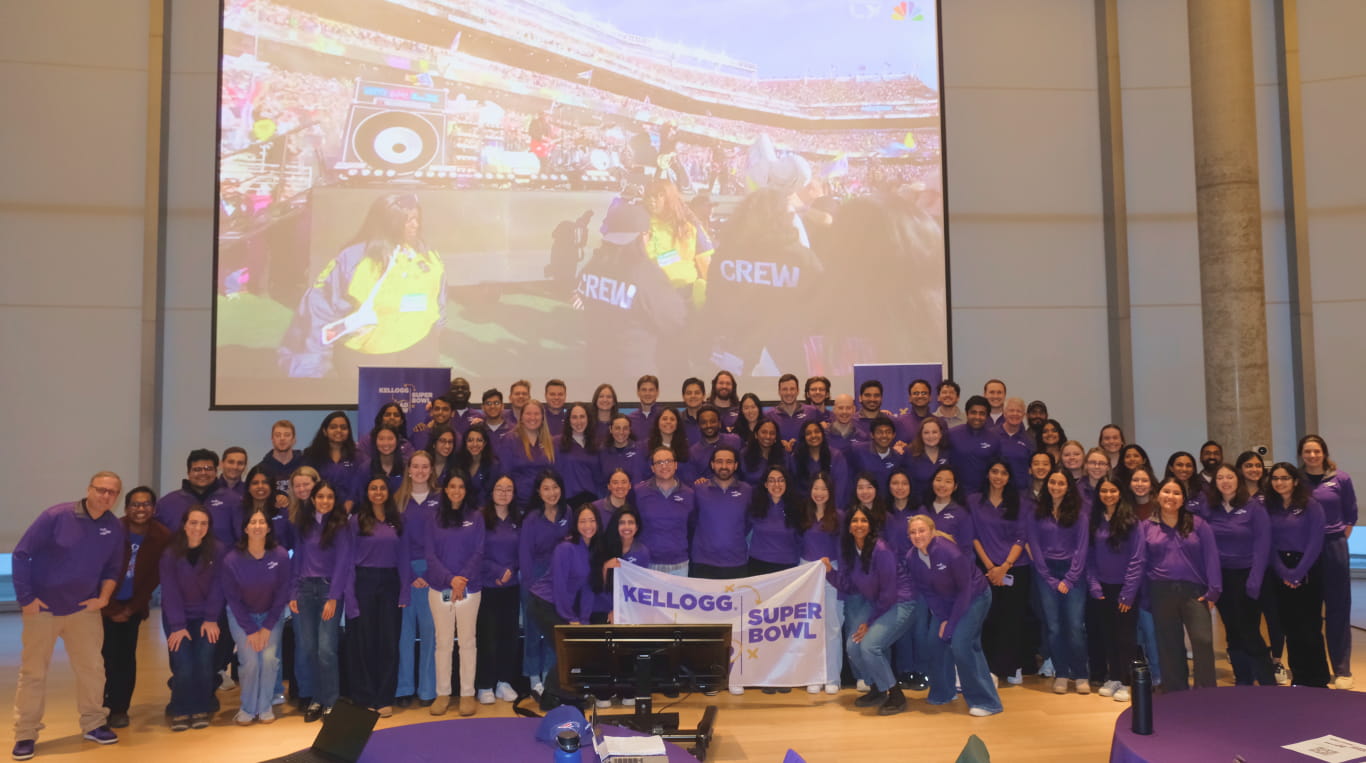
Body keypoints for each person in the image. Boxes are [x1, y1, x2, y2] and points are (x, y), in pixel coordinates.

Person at [12, 472, 127, 758]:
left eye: (112, 492)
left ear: (117, 496)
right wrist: (26, 598)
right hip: (43, 609)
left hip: (84, 611)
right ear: (89, 489)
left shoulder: (114, 527)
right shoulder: (56, 516)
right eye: (101, 490)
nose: (106, 496)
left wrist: (103, 598)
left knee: (92, 670)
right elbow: (21, 554)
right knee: (33, 673)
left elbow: (113, 568)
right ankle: (25, 733)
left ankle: (93, 724)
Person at [280, 192, 445, 377]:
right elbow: (319, 310)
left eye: (417, 219)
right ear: (388, 222)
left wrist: (436, 329)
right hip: (369, 357)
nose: (415, 225)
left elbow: (438, 298)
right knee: (371, 396)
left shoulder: (428, 255)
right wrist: (310, 368)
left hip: (421, 350)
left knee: (418, 395)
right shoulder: (354, 259)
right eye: (408, 220)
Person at [705, 189, 822, 373]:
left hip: (733, 354)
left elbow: (713, 301)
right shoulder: (802, 259)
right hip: (785, 359)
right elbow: (818, 308)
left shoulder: (726, 254)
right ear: (785, 217)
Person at [905, 515, 1003, 717]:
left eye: (922, 530)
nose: (917, 535)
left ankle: (987, 702)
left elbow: (965, 590)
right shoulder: (911, 558)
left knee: (961, 645)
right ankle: (944, 692)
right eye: (913, 532)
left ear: (932, 531)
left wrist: (950, 625)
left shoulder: (949, 551)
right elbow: (928, 592)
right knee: (934, 641)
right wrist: (943, 618)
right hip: (946, 603)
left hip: (974, 597)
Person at [577, 202, 687, 378]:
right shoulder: (646, 273)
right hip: (635, 372)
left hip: (595, 366)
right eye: (649, 234)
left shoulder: (591, 267)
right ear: (642, 236)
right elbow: (676, 321)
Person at [830, 506, 913, 715]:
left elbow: (889, 592)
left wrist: (869, 623)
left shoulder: (881, 549)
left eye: (864, 520)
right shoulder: (851, 551)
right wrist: (830, 573)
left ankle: (896, 695)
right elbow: (850, 587)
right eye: (854, 520)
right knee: (852, 646)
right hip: (879, 604)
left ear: (870, 525)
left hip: (900, 602)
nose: (859, 525)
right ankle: (878, 687)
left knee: (869, 646)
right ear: (849, 526)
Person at [1140, 478, 1221, 691]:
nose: (1171, 497)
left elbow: (1212, 557)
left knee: (1202, 641)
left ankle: (1205, 692)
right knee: (1169, 644)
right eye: (1166, 492)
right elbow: (1141, 562)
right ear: (1158, 495)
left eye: (1176, 493)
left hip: (1194, 592)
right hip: (1161, 592)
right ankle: (1176, 692)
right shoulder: (1147, 526)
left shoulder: (1198, 524)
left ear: (1183, 499)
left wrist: (1214, 590)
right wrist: (1144, 596)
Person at [100, 487, 171, 729]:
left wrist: (131, 609)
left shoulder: (162, 536)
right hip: (103, 605)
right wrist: (110, 608)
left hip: (133, 607)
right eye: (135, 504)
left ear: (154, 508)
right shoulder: (112, 530)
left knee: (125, 659)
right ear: (126, 507)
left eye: (146, 504)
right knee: (102, 658)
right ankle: (99, 706)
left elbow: (155, 578)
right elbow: (97, 569)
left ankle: (119, 709)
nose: (140, 509)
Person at [222, 506, 292, 727]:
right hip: (242, 618)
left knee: (269, 659)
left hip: (272, 616)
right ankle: (247, 708)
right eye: (253, 522)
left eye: (262, 522)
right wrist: (251, 630)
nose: (257, 526)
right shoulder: (232, 559)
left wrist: (267, 626)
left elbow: (282, 593)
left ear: (269, 527)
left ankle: (264, 706)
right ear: (245, 528)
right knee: (251, 661)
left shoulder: (280, 555)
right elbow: (233, 599)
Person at [289, 480, 353, 721]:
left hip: (328, 591)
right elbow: (297, 559)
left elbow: (343, 562)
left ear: (335, 500)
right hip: (304, 591)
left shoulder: (341, 526)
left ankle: (331, 702)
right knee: (308, 649)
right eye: (321, 496)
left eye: (329, 497)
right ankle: (317, 698)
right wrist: (292, 592)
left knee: (326, 649)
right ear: (313, 499)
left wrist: (334, 597)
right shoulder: (303, 524)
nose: (325, 501)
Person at [1205, 463, 1274, 686]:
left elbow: (1263, 544)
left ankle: (1267, 681)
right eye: (1220, 478)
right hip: (1221, 577)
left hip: (1247, 576)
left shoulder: (1254, 507)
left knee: (1249, 630)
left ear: (1238, 480)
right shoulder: (1211, 509)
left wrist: (1255, 579)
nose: (1225, 481)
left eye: (1230, 477)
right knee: (1232, 630)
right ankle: (1242, 680)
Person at [345, 477, 409, 717]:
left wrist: (405, 589)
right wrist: (350, 595)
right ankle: (365, 696)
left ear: (388, 492)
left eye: (382, 488)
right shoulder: (356, 521)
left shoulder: (398, 520)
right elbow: (348, 559)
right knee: (364, 641)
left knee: (389, 641)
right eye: (373, 488)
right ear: (367, 492)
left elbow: (404, 556)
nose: (378, 492)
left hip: (390, 583)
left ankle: (384, 697)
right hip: (364, 582)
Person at [1263, 462, 1330, 688]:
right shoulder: (1269, 507)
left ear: (1295, 481)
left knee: (1310, 627)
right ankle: (1299, 678)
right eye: (1275, 478)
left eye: (1284, 478)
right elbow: (1267, 542)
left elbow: (1316, 541)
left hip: (1307, 568)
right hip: (1280, 569)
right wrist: (1284, 572)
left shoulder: (1311, 505)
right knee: (1290, 627)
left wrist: (1298, 572)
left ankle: (1318, 679)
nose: (1279, 482)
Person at [526, 504, 601, 704]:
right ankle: (553, 696)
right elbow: (559, 585)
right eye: (583, 521)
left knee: (574, 647)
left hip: (559, 605)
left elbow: (588, 589)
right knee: (568, 648)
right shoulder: (565, 548)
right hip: (543, 603)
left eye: (592, 520)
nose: (588, 525)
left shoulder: (592, 549)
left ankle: (558, 695)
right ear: (575, 524)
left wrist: (584, 620)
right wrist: (570, 618)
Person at [425, 471, 486, 717]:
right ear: (445, 489)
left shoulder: (476, 517)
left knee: (468, 642)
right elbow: (430, 555)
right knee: (443, 642)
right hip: (440, 588)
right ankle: (443, 693)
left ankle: (467, 693)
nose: (457, 491)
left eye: (461, 486)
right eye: (452, 486)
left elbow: (479, 552)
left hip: (469, 589)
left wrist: (461, 581)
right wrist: (450, 579)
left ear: (466, 490)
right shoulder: (434, 517)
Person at [1298, 435, 1356, 689]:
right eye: (1307, 451)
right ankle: (1313, 669)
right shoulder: (1295, 480)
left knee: (1338, 609)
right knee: (1308, 612)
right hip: (1303, 550)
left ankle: (1342, 669)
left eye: (1316, 451)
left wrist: (1335, 541)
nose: (1312, 455)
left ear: (1324, 453)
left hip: (1333, 547)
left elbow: (1350, 516)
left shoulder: (1340, 479)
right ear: (1301, 454)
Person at [159, 507, 224, 730]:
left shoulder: (218, 550)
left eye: (203, 523)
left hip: (207, 617)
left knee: (204, 662)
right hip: (178, 618)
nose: (198, 528)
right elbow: (169, 591)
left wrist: (211, 618)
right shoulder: (170, 553)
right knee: (183, 663)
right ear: (184, 525)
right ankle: (179, 708)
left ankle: (200, 707)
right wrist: (177, 626)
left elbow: (219, 587)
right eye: (193, 523)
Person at [1027, 468, 1090, 694]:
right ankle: (1061, 673)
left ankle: (1080, 674)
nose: (1056, 487)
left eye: (1061, 483)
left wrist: (1070, 578)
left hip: (1074, 573)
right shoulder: (1036, 513)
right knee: (1054, 627)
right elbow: (1034, 546)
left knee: (1075, 626)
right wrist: (1048, 578)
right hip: (1046, 573)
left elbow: (1082, 548)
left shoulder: (1080, 514)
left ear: (1068, 487)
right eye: (1052, 482)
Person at [970, 462, 1031, 686]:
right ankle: (989, 668)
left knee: (1012, 619)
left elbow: (1022, 536)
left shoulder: (1020, 502)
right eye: (994, 471)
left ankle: (1011, 665)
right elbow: (973, 535)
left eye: (1004, 473)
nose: (998, 476)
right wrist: (990, 566)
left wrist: (1004, 566)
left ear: (1009, 477)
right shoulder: (974, 501)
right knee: (988, 618)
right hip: (985, 568)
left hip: (1016, 567)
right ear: (987, 474)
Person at [1084, 477, 1143, 701]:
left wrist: (1128, 592)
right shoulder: (1094, 520)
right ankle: (1114, 677)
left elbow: (1138, 558)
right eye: (1104, 491)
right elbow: (1089, 556)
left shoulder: (1132, 521)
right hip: (1102, 588)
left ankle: (1127, 681)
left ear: (1120, 493)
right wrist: (1094, 585)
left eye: (1113, 490)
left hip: (1126, 589)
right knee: (1108, 635)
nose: (1108, 495)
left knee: (1126, 636)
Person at [393, 451, 441, 708]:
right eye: (416, 466)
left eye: (425, 466)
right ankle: (404, 688)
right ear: (409, 470)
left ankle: (427, 689)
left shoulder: (441, 500)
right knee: (405, 634)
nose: (420, 471)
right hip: (405, 572)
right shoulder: (398, 501)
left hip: (434, 573)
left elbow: (445, 540)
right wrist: (411, 575)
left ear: (431, 470)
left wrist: (432, 573)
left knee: (430, 633)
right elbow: (394, 543)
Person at [520, 470, 572, 694]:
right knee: (533, 630)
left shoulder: (568, 512)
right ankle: (534, 677)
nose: (552, 493)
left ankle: (550, 676)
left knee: (554, 631)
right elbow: (524, 554)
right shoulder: (532, 518)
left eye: (555, 487)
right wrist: (530, 586)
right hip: (535, 577)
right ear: (539, 492)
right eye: (546, 488)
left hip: (560, 579)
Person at [475, 476, 523, 706]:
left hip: (511, 586)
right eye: (499, 489)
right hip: (487, 586)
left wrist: (511, 570)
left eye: (509, 489)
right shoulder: (480, 518)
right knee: (487, 637)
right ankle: (485, 684)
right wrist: (496, 570)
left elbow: (523, 551)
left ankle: (504, 681)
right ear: (491, 491)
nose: (504, 493)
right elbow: (475, 552)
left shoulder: (518, 519)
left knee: (508, 636)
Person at [800, 473, 844, 694]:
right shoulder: (803, 515)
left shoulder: (839, 516)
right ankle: (813, 675)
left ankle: (832, 677)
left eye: (824, 489)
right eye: (816, 488)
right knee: (809, 627)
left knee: (832, 627)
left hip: (830, 573)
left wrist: (834, 571)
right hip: (806, 573)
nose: (819, 493)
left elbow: (844, 549)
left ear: (831, 492)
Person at [158, 449, 241, 548]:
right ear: (188, 472)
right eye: (197, 469)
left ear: (216, 471)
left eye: (208, 468)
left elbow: (243, 541)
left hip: (222, 558)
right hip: (179, 557)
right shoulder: (167, 503)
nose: (203, 473)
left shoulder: (234, 501)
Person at [635, 447, 697, 576]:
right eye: (659, 462)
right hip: (647, 563)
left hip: (679, 565)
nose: (664, 466)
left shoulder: (689, 494)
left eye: (668, 461)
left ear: (675, 465)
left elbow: (692, 527)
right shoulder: (638, 492)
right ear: (652, 468)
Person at [302, 411, 364, 512]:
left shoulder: (359, 457)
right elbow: (306, 484)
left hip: (352, 511)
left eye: (343, 427)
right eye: (333, 427)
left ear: (348, 432)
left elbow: (360, 485)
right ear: (325, 431)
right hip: (319, 509)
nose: (339, 430)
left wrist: (350, 502)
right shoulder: (311, 455)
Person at [748, 465, 803, 577]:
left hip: (787, 567)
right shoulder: (755, 506)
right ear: (765, 484)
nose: (776, 485)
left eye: (781, 480)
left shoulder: (797, 507)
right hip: (757, 565)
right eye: (771, 481)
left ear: (786, 483)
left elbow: (801, 539)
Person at [947, 396, 999, 496]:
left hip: (983, 496)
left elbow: (996, 468)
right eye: (973, 412)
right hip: (955, 494)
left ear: (987, 416)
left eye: (982, 413)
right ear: (967, 413)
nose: (977, 417)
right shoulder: (952, 434)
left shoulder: (994, 439)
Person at [792, 420, 850, 505]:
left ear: (822, 434)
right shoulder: (796, 458)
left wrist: (832, 510)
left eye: (817, 431)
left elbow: (840, 489)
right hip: (806, 508)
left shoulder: (836, 456)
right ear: (803, 437)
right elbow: (796, 490)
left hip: (832, 508)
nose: (813, 435)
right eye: (808, 433)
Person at [558, 402, 603, 506]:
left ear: (588, 419)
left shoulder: (596, 444)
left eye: (582, 417)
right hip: (568, 501)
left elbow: (599, 477)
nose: (579, 421)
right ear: (568, 420)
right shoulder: (557, 443)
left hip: (592, 501)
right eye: (574, 417)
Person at [768, 374, 822, 447]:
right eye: (785, 389)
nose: (788, 393)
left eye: (792, 389)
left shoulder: (812, 412)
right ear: (779, 392)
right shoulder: (769, 415)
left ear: (798, 391)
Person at [453, 422, 500, 505]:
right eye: (470, 440)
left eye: (479, 440)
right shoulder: (458, 463)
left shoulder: (493, 465)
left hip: (485, 509)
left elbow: (491, 494)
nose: (474, 444)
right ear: (465, 443)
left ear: (485, 443)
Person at [994, 398, 1033, 489]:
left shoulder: (1029, 440)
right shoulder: (992, 435)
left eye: (1019, 411)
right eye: (1011, 410)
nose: (1015, 414)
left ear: (1024, 415)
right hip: (996, 489)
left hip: (1020, 491)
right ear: (1004, 413)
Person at [257, 420, 305, 496]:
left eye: (287, 435)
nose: (282, 438)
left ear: (294, 439)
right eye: (277, 435)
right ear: (272, 439)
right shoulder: (261, 469)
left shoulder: (305, 465)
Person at [599, 414, 649, 486]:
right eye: (617, 428)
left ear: (629, 430)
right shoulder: (602, 453)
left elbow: (648, 477)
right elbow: (600, 481)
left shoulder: (641, 451)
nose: (621, 432)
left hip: (637, 493)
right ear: (610, 429)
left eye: (625, 428)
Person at [627, 375, 663, 444]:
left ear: (657, 392)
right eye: (644, 390)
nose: (647, 393)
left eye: (651, 390)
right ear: (638, 392)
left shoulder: (664, 417)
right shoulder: (630, 419)